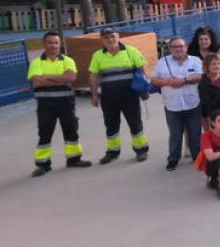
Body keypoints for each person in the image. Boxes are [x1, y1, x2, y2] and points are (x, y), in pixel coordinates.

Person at [28, 31, 92, 176]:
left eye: (56, 43)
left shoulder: (68, 60)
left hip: (66, 104)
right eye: (50, 43)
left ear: (60, 44)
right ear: (44, 44)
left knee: (71, 131)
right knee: (45, 134)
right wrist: (61, 78)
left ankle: (74, 159)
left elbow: (71, 78)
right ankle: (43, 165)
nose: (53, 46)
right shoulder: (36, 63)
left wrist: (48, 77)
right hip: (46, 105)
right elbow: (37, 81)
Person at [88, 28, 149, 164]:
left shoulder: (131, 51)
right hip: (108, 97)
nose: (110, 40)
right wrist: (94, 95)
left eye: (112, 36)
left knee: (135, 122)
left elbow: (142, 71)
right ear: (102, 40)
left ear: (118, 36)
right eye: (106, 37)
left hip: (129, 95)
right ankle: (112, 152)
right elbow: (93, 76)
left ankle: (141, 150)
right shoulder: (97, 55)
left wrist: (144, 90)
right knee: (111, 125)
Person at [151, 36, 204, 172]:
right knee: (175, 134)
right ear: (170, 49)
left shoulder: (195, 60)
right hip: (172, 104)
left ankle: (197, 157)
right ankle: (173, 159)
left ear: (186, 47)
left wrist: (184, 80)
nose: (178, 49)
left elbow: (201, 76)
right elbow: (154, 80)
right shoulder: (162, 62)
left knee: (195, 133)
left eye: (180, 46)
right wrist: (168, 82)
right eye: (174, 47)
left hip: (193, 103)